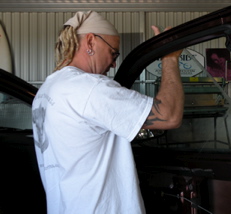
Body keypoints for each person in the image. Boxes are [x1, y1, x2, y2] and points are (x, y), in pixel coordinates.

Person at [31, 11, 184, 214]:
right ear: (91, 42)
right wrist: (170, 58)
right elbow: (169, 115)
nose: (113, 64)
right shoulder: (89, 88)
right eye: (114, 53)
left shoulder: (48, 89)